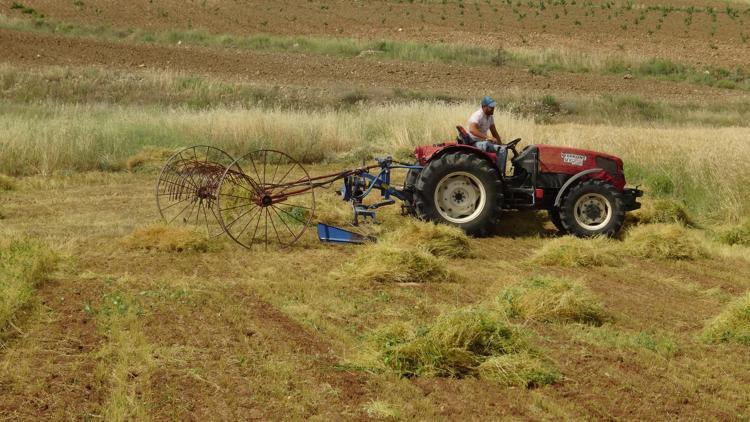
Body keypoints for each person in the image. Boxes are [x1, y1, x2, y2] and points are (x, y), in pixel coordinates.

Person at [467, 96, 508, 175]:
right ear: (484, 106)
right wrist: (488, 137)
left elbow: (494, 132)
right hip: (474, 142)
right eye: (491, 107)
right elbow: (472, 130)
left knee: (502, 149)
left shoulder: (490, 117)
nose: (493, 109)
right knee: (498, 149)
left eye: (493, 107)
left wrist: (501, 144)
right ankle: (499, 175)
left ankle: (498, 172)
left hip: (481, 142)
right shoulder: (477, 115)